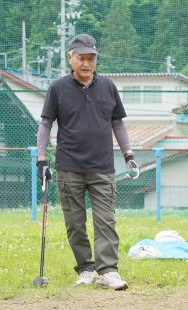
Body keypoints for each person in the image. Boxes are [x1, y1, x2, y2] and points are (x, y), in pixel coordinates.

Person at [36, 33, 139, 290]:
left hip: (102, 167)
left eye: (91, 58)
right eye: (81, 58)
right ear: (71, 58)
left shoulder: (108, 87)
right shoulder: (58, 88)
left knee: (106, 220)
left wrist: (129, 154)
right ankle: (85, 268)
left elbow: (117, 122)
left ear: (96, 60)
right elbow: (46, 123)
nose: (86, 63)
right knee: (75, 223)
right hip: (68, 167)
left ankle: (108, 271)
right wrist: (41, 160)